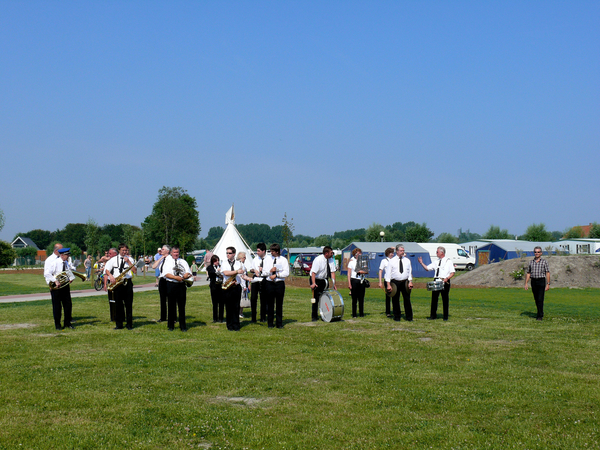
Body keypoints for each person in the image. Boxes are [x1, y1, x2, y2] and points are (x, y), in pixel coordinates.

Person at [105, 243, 137, 330]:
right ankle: (119, 324)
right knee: (118, 304)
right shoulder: (113, 259)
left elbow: (135, 271)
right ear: (119, 250)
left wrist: (129, 262)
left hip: (127, 282)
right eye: (123, 250)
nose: (125, 252)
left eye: (126, 250)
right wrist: (111, 276)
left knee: (128, 304)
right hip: (117, 283)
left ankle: (129, 324)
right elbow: (107, 270)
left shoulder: (130, 259)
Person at [418, 246, 455, 321]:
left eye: (437, 252)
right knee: (434, 299)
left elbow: (452, 272)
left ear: (442, 252)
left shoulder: (448, 261)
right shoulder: (436, 262)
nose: (436, 253)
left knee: (445, 299)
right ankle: (433, 316)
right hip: (436, 280)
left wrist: (447, 278)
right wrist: (421, 263)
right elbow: (427, 268)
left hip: (445, 281)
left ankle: (445, 316)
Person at [44, 246, 75, 330]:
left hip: (65, 286)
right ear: (62, 255)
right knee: (57, 306)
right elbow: (47, 273)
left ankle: (67, 323)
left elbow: (67, 272)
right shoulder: (55, 263)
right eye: (67, 255)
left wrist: (70, 277)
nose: (68, 257)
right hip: (56, 287)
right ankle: (57, 325)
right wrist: (55, 281)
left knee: (68, 305)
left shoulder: (66, 262)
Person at [163, 246, 192, 331]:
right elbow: (166, 274)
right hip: (171, 284)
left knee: (182, 306)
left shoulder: (183, 261)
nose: (176, 254)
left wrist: (185, 276)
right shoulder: (168, 262)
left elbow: (188, 272)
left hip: (181, 285)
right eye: (174, 252)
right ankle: (171, 326)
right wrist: (176, 278)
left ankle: (183, 326)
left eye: (177, 252)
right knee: (171, 306)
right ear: (171, 253)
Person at [262, 243, 289, 328]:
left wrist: (277, 275)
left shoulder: (283, 260)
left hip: (279, 283)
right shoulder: (267, 260)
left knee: (279, 304)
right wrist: (270, 271)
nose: (271, 253)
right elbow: (264, 272)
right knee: (270, 304)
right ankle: (270, 323)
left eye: (272, 251)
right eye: (270, 251)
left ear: (277, 251)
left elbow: (286, 272)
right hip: (269, 283)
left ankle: (279, 323)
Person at [385, 244, 414, 321]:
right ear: (397, 251)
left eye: (403, 250)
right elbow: (388, 274)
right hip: (395, 282)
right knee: (395, 300)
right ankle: (397, 316)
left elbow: (409, 272)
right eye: (401, 251)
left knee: (407, 299)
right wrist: (388, 285)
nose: (402, 252)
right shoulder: (392, 261)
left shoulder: (407, 261)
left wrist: (410, 282)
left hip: (405, 282)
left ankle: (409, 317)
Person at [309, 246, 337, 321]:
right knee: (316, 298)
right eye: (331, 253)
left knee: (324, 297)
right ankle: (314, 316)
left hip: (324, 280)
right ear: (326, 253)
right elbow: (313, 273)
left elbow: (332, 272)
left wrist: (334, 284)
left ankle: (325, 315)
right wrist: (313, 283)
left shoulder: (330, 260)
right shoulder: (318, 260)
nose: (332, 254)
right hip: (316, 279)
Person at [221, 246, 244, 331]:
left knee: (236, 306)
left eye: (229, 253)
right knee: (228, 307)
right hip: (227, 287)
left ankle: (236, 325)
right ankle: (229, 325)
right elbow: (226, 273)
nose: (228, 254)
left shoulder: (239, 263)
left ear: (234, 254)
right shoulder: (224, 263)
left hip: (236, 287)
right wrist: (237, 271)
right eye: (227, 253)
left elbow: (243, 273)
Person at [524, 246, 550, 321]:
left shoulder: (544, 262)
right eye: (535, 252)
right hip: (533, 281)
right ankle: (539, 312)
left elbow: (547, 273)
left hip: (541, 281)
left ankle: (540, 315)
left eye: (538, 252)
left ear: (541, 253)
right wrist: (526, 283)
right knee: (536, 298)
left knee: (540, 298)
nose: (537, 253)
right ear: (534, 253)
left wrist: (548, 284)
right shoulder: (531, 262)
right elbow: (528, 273)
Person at [152, 245, 171, 323]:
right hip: (162, 279)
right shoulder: (162, 259)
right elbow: (154, 266)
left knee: (170, 299)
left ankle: (172, 317)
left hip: (169, 279)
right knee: (162, 299)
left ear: (167, 251)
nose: (161, 251)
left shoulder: (171, 259)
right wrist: (161, 258)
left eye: (163, 249)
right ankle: (163, 317)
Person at [347, 248, 368, 318]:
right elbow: (349, 274)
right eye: (358, 253)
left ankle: (361, 313)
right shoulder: (351, 262)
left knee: (361, 298)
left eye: (360, 253)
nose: (360, 255)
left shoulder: (363, 261)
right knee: (354, 298)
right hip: (354, 280)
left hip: (361, 280)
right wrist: (349, 283)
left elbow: (366, 270)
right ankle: (354, 314)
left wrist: (361, 271)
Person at [249, 243, 267, 323]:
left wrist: (263, 270)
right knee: (253, 298)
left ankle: (263, 317)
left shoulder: (268, 259)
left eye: (259, 251)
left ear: (263, 251)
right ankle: (253, 317)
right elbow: (251, 269)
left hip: (264, 279)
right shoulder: (255, 259)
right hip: (255, 279)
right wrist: (254, 270)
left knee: (263, 299)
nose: (257, 252)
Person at [206, 255, 224, 323]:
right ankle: (215, 318)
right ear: (212, 261)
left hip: (221, 286)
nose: (217, 262)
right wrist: (217, 271)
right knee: (215, 303)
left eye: (218, 260)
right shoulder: (210, 267)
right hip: (214, 286)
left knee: (221, 303)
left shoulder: (221, 267)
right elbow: (211, 273)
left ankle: (221, 318)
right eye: (215, 261)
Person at [378, 247, 395, 318]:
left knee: (395, 296)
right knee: (388, 296)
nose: (392, 254)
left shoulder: (395, 260)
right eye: (391, 253)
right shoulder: (384, 261)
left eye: (393, 253)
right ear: (388, 253)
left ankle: (395, 311)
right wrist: (380, 282)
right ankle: (388, 312)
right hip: (387, 280)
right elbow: (380, 271)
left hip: (394, 279)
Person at [103, 248, 118, 321]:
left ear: (115, 254)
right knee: (111, 300)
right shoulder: (109, 262)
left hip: (118, 282)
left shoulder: (118, 260)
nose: (109, 255)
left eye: (110, 253)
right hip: (111, 283)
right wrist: (105, 284)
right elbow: (105, 274)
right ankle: (113, 317)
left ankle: (120, 316)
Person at [237, 252, 249, 319]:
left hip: (240, 284)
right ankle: (240, 313)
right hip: (241, 285)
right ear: (241, 257)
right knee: (241, 299)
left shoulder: (237, 264)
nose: (245, 259)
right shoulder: (241, 265)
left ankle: (239, 312)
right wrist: (244, 286)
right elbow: (242, 277)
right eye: (244, 257)